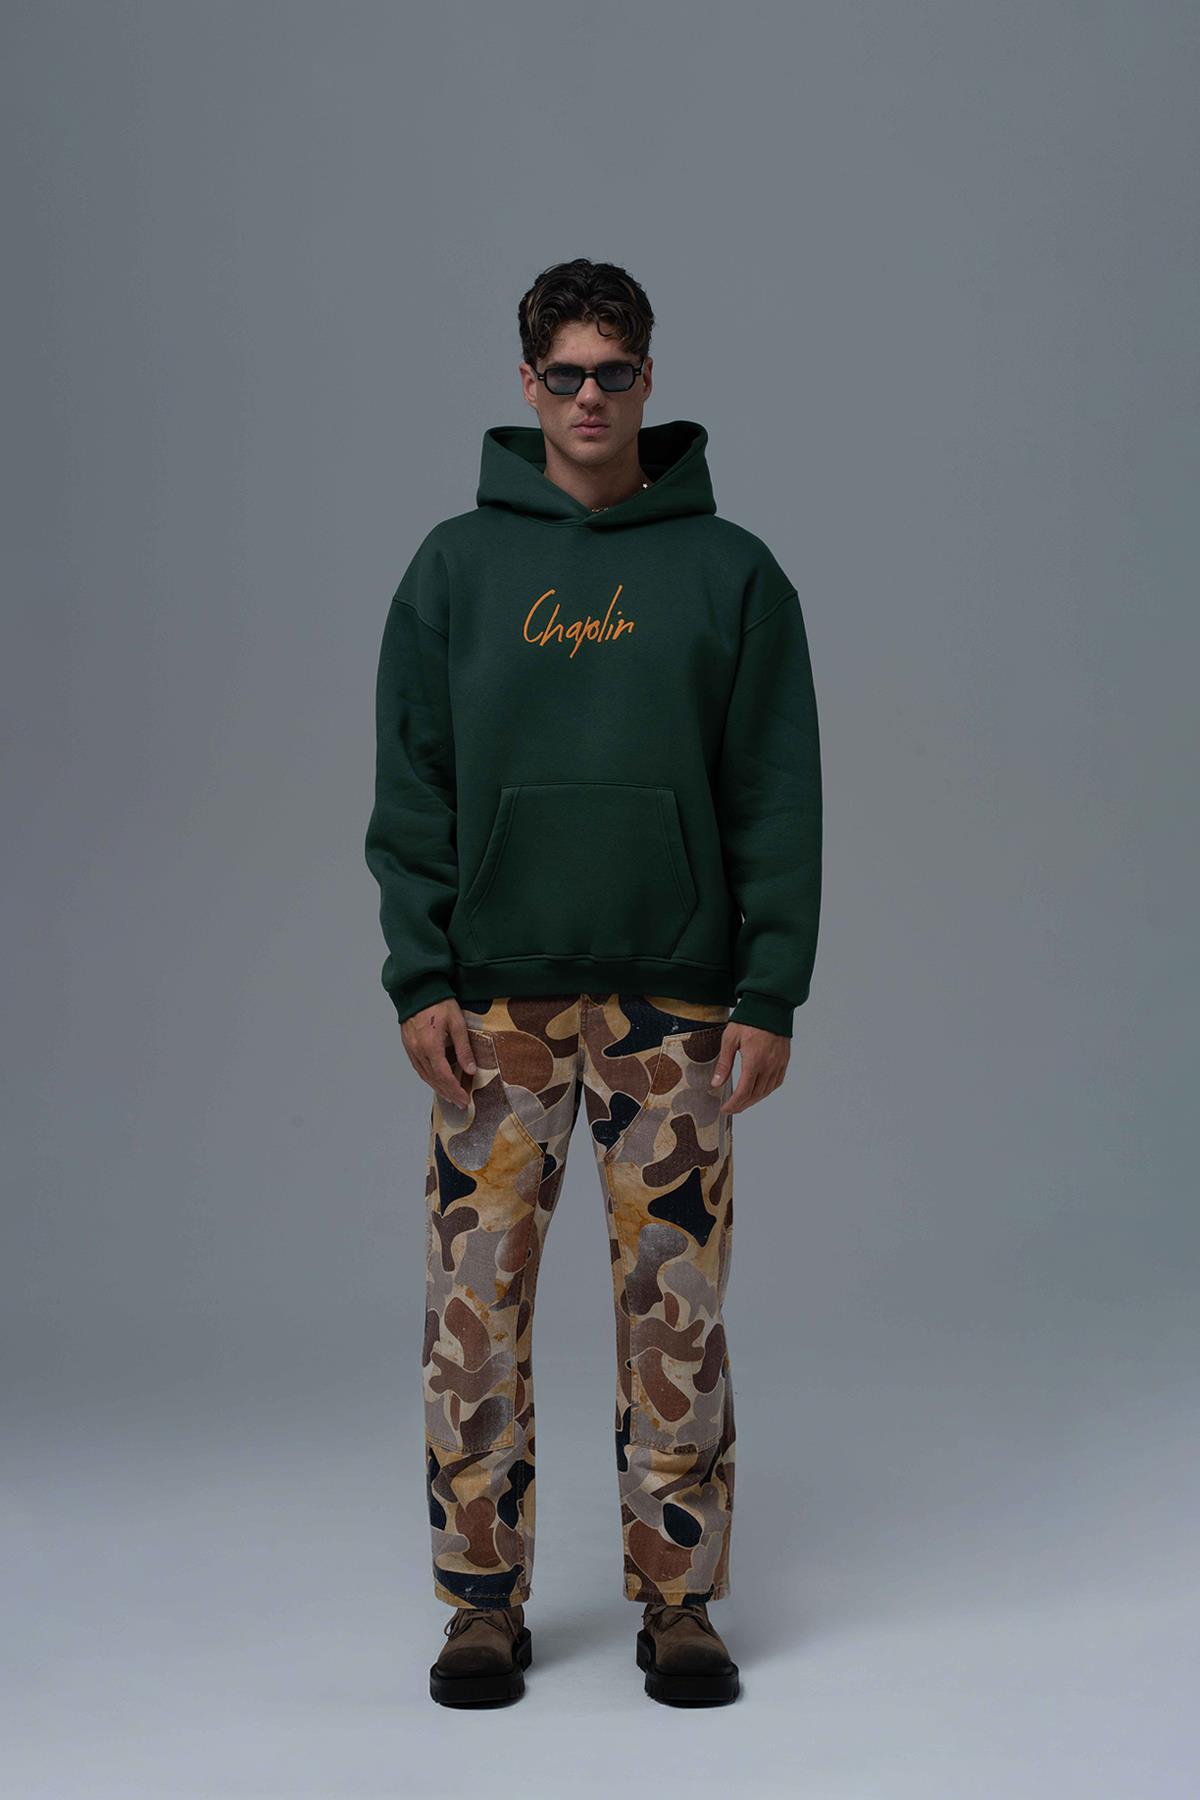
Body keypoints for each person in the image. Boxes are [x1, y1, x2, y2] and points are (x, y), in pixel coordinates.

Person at [364, 258, 823, 1708]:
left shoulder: (732, 573)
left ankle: (680, 1602)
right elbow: (413, 788)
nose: (587, 398)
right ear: (527, 384)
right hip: (492, 1007)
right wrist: (418, 977)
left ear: (646, 381)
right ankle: (479, 1606)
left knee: (675, 1310)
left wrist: (770, 991)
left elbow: (775, 796)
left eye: (612, 374)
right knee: (473, 1308)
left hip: (675, 1005)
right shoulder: (454, 569)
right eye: (562, 374)